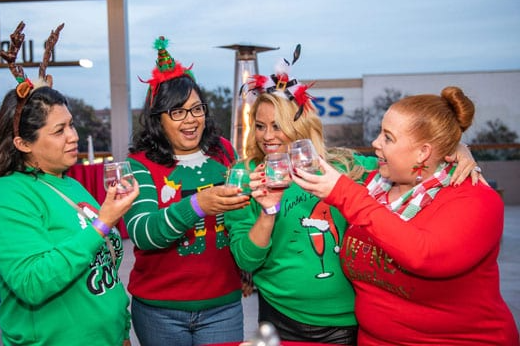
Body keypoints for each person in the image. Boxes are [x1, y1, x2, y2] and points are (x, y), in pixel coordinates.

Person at [224, 48, 483, 345]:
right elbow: (246, 259)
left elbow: (411, 164)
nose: (267, 136)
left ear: (301, 126)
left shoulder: (345, 167)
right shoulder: (246, 177)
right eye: (260, 126)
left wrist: (459, 150)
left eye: (277, 126)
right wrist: (268, 212)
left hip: (351, 320)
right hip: (280, 316)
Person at [291, 86, 520, 345]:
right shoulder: (374, 186)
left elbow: (424, 255)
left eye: (388, 137)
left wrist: (347, 195)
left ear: (423, 152)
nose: (375, 143)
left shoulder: (477, 200)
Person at [0, 21, 139, 346]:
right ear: (23, 143)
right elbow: (32, 282)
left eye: (72, 125)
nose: (74, 136)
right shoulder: (3, 198)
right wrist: (103, 222)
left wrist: (121, 329)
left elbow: (103, 272)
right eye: (59, 131)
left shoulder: (70, 185)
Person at [124, 36, 251, 346]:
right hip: (159, 311)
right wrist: (197, 205)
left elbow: (243, 215)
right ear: (158, 119)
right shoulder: (139, 163)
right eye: (177, 112)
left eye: (197, 109)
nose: (191, 119)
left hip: (223, 306)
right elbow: (142, 232)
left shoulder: (222, 151)